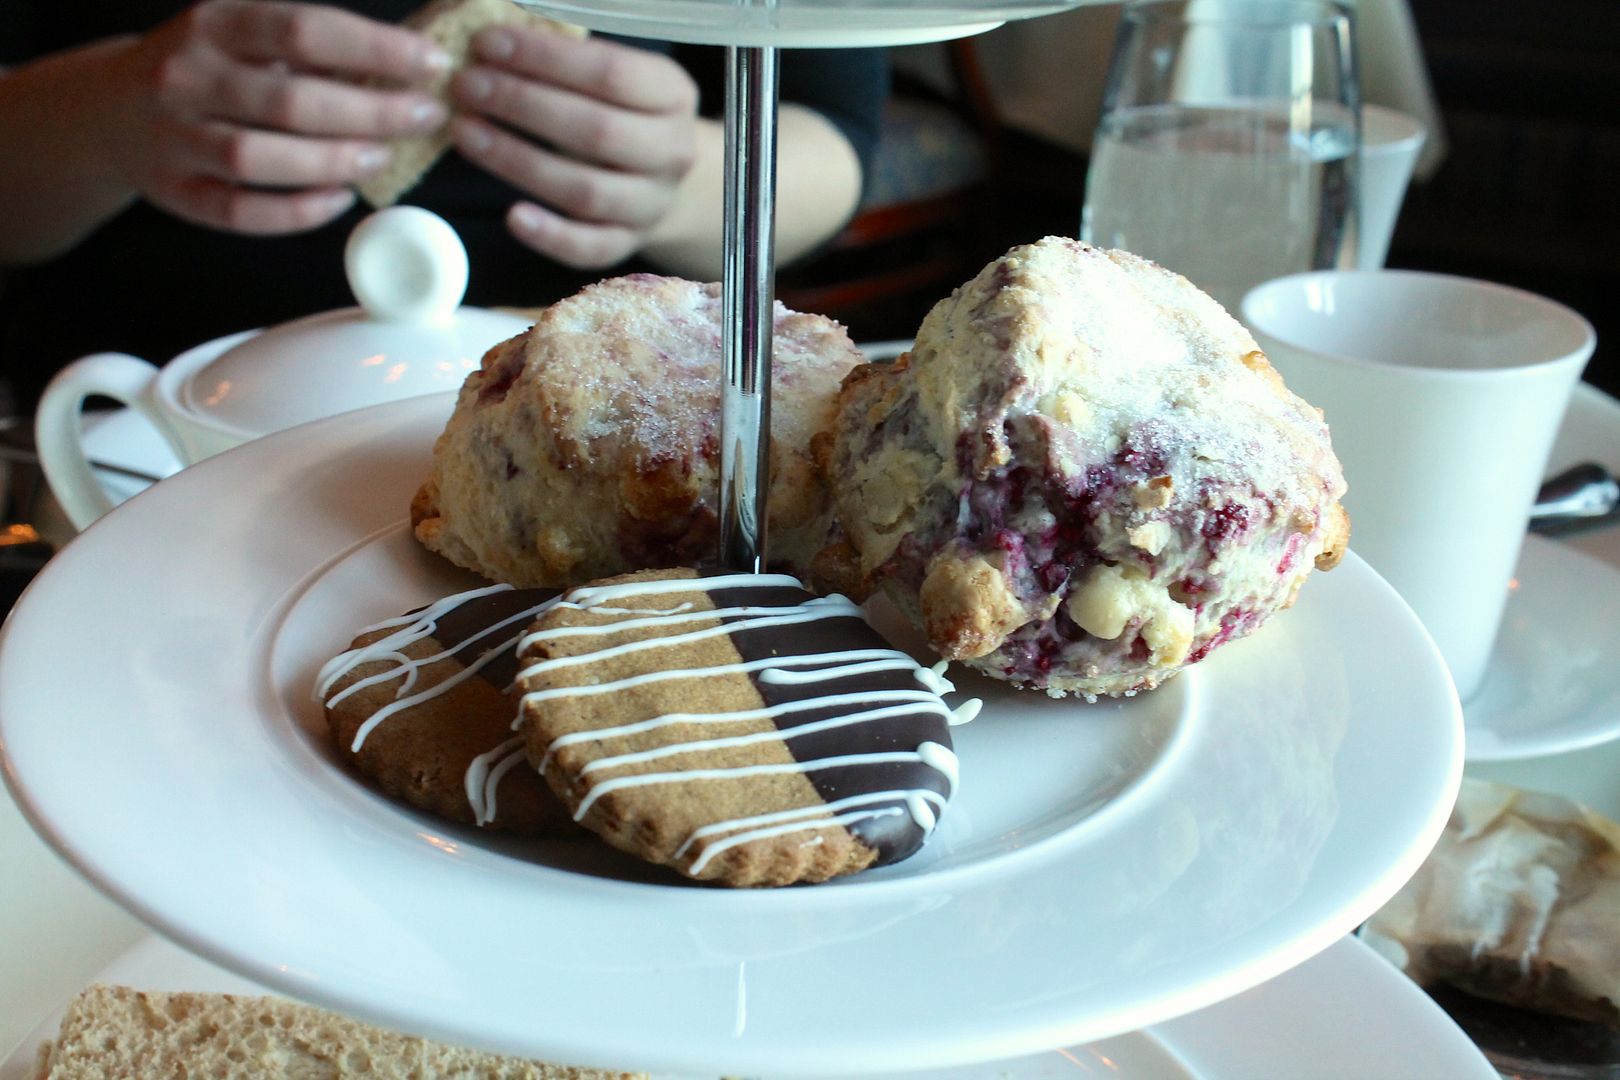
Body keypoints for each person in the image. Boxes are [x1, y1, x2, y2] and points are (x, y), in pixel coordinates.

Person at [0, 0, 887, 412]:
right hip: (134, 423)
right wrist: (104, 116)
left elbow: (839, 134)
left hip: (594, 427)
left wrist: (683, 175)